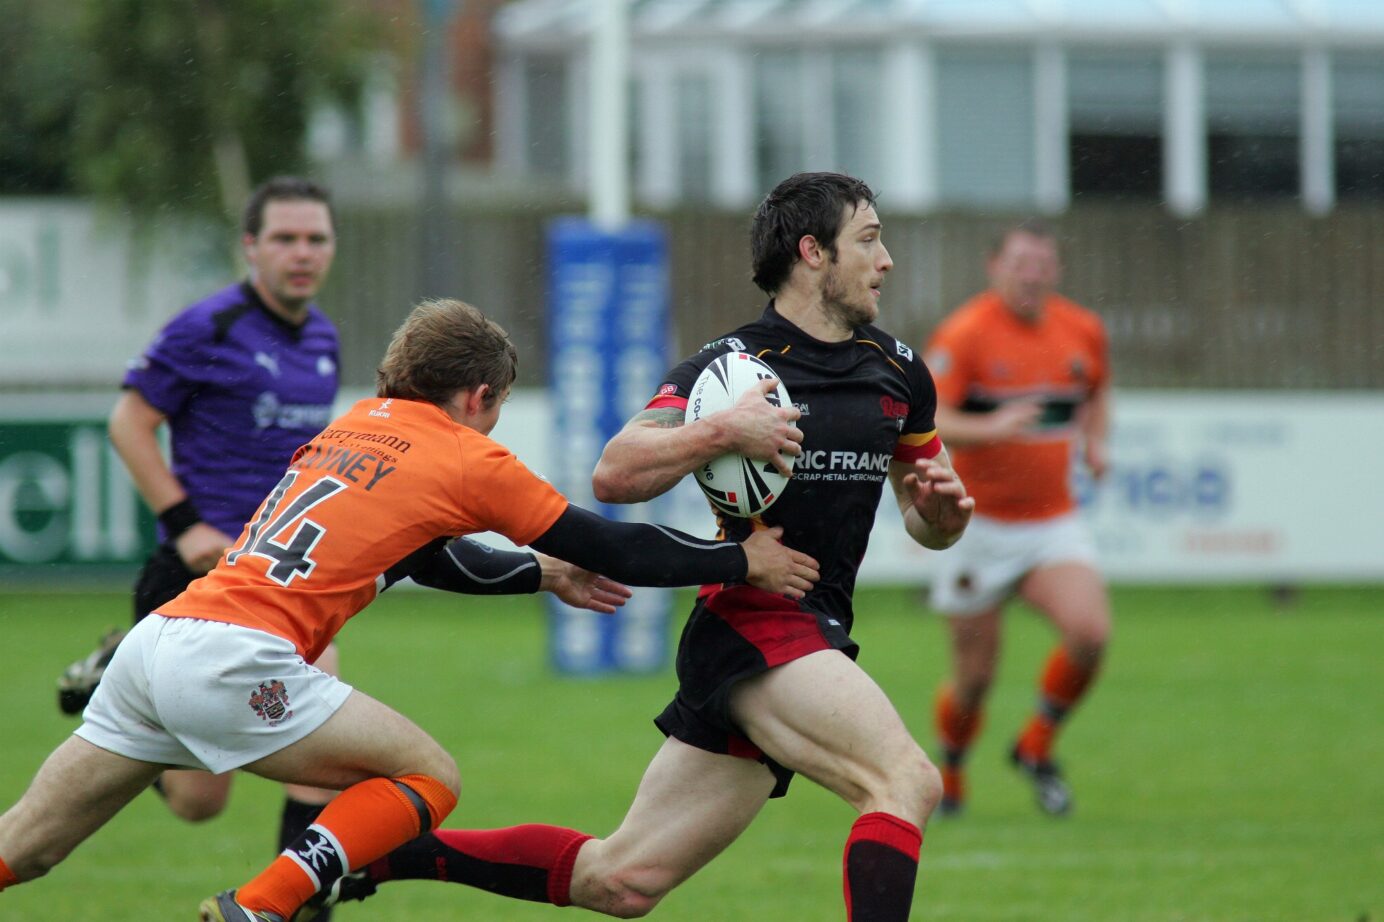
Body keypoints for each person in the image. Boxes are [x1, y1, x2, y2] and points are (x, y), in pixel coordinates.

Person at [0, 298, 818, 922]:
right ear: (478, 393)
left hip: (159, 643)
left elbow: (431, 557)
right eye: (495, 408)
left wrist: (542, 577)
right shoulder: (465, 453)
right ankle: (262, 905)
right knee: (430, 775)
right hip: (232, 660)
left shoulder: (353, 426)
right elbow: (615, 545)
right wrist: (740, 558)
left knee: (26, 847)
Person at [309, 171, 974, 922]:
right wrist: (721, 431)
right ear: (812, 252)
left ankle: (381, 856)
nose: (885, 259)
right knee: (904, 782)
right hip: (754, 622)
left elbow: (928, 523)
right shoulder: (729, 371)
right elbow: (616, 471)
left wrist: (941, 517)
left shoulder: (900, 371)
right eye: (869, 239)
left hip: (812, 628)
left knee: (621, 880)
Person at [54, 176, 349, 893]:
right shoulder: (207, 328)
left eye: (315, 239)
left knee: (329, 753)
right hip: (200, 575)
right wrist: (187, 526)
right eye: (284, 238)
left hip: (284, 578)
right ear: (250, 247)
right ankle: (116, 672)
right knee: (198, 802)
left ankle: (290, 905)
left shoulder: (323, 339)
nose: (301, 253)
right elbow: (129, 423)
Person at [920, 218, 1112, 817]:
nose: (1031, 276)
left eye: (1042, 265)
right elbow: (924, 416)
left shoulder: (1081, 329)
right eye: (1020, 264)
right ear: (994, 267)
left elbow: (1098, 391)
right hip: (977, 525)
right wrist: (990, 427)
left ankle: (1035, 746)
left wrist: (1095, 443)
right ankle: (949, 771)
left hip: (1052, 520)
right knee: (974, 680)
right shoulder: (967, 333)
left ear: (1055, 271)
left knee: (1090, 632)